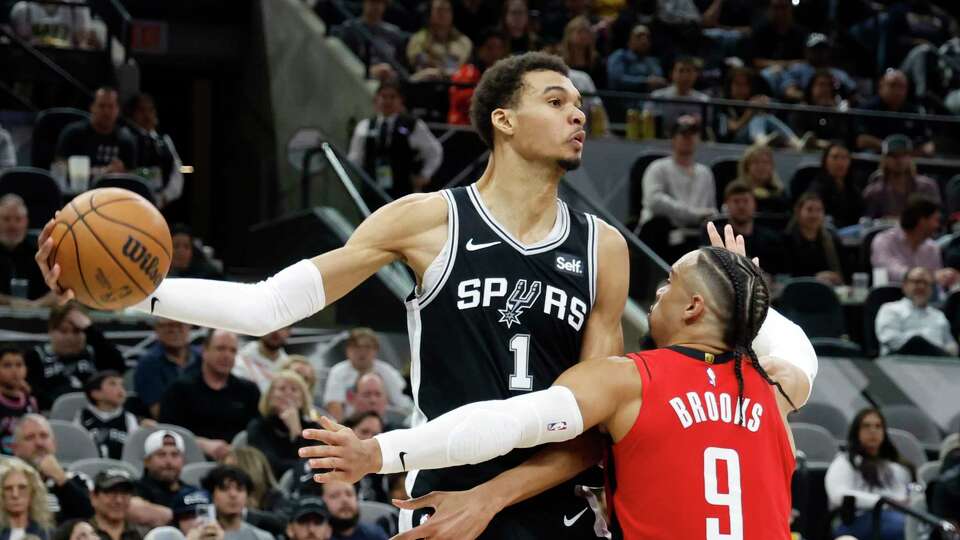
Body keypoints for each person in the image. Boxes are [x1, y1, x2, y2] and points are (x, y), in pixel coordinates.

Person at [38, 51, 629, 539]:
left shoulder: (604, 248)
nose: (578, 116)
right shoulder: (424, 222)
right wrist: (129, 294)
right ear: (503, 119)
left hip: (554, 504)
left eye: (579, 106)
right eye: (556, 102)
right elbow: (266, 306)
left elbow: (592, 428)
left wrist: (493, 498)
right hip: (441, 495)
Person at [301, 223, 818, 540]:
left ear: (693, 307)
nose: (656, 294)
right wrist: (744, 290)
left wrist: (382, 452)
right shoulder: (774, 390)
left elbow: (506, 420)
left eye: (668, 284)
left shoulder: (628, 381)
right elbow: (799, 349)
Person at [159, 330, 260, 460]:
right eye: (220, 348)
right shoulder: (179, 389)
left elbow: (257, 434)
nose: (227, 355)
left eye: (232, 350)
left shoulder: (249, 390)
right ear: (204, 351)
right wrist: (201, 444)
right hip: (189, 460)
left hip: (238, 462)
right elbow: (167, 434)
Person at [346, 80, 443, 199]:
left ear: (400, 100)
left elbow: (434, 151)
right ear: (377, 99)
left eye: (392, 97)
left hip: (402, 190)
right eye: (383, 97)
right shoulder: (364, 126)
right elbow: (355, 158)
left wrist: (425, 175)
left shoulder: (412, 125)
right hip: (371, 188)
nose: (387, 101)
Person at [825, 408, 912, 540]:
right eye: (866, 426)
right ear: (856, 431)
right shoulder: (845, 461)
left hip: (897, 516)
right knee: (902, 528)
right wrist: (882, 501)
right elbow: (838, 495)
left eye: (878, 426)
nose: (873, 431)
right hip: (857, 519)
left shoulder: (896, 466)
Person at [640, 115, 717, 262]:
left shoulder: (705, 173)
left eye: (693, 134)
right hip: (662, 236)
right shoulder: (657, 168)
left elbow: (711, 209)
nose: (688, 138)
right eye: (683, 134)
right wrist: (694, 214)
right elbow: (654, 202)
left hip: (695, 236)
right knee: (658, 225)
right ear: (673, 139)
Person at [25, 302, 125, 410]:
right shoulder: (35, 356)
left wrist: (90, 328)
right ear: (50, 330)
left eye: (77, 331)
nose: (70, 337)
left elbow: (118, 368)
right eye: (63, 331)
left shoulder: (95, 352)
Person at [11, 415, 93, 522]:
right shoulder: (5, 481)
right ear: (16, 449)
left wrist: (61, 479)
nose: (39, 443)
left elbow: (90, 517)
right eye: (30, 437)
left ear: (54, 444)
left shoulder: (78, 479)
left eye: (44, 436)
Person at [244, 371, 320, 479]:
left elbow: (314, 465)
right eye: (282, 389)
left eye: (294, 389)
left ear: (303, 399)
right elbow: (271, 466)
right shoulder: (258, 427)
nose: (288, 393)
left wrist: (296, 431)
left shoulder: (314, 429)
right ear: (270, 396)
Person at [322, 329, 409, 422]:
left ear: (376, 350)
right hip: (350, 424)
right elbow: (334, 405)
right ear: (348, 350)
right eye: (357, 347)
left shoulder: (387, 371)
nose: (362, 352)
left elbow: (403, 403)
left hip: (382, 425)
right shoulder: (338, 371)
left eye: (367, 347)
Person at [871, 196, 959, 287]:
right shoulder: (883, 241)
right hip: (891, 295)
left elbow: (936, 280)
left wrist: (945, 276)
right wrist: (921, 276)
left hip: (925, 298)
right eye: (935, 220)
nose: (937, 226)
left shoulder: (932, 247)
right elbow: (888, 270)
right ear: (922, 221)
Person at [55, 88, 137, 178]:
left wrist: (123, 171)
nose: (106, 111)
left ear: (118, 110)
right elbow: (60, 166)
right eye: (101, 106)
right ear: (92, 107)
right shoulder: (73, 134)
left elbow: (132, 174)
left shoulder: (126, 139)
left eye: (111, 106)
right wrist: (103, 171)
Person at [875, 267, 958, 356]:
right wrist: (923, 345)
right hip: (900, 362)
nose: (921, 286)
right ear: (905, 285)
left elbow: (951, 346)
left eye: (926, 283)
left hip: (937, 364)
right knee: (917, 341)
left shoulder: (939, 316)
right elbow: (890, 339)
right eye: (917, 281)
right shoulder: (890, 309)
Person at [125, 94, 184, 209]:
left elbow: (178, 172)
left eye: (150, 110)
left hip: (160, 203)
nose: (147, 115)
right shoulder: (125, 138)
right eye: (141, 110)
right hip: (132, 202)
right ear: (132, 113)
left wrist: (164, 197)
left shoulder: (164, 140)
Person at [856, 70, 935, 157]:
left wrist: (904, 156)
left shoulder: (914, 111)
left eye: (902, 87)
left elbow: (928, 145)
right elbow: (861, 141)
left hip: (908, 159)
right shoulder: (867, 109)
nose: (897, 91)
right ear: (881, 86)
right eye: (892, 85)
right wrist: (892, 150)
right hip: (876, 157)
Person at [134, 318, 201, 419]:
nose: (174, 330)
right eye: (168, 326)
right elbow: (158, 411)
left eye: (179, 325)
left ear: (189, 327)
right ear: (157, 329)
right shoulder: (148, 364)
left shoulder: (203, 359)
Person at [862, 135, 941, 219]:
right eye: (893, 155)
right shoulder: (874, 192)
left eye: (903, 155)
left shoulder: (926, 187)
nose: (899, 160)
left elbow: (936, 219)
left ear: (910, 157)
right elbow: (867, 223)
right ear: (884, 159)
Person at [718, 67, 801, 148]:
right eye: (737, 84)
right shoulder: (724, 104)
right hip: (733, 143)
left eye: (745, 85)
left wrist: (766, 104)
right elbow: (733, 128)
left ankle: (796, 143)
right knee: (758, 116)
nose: (741, 89)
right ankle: (761, 141)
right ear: (730, 86)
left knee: (766, 117)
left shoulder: (752, 99)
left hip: (754, 138)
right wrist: (750, 112)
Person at [131, 431, 199, 527]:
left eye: (175, 455)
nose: (169, 461)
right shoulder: (133, 488)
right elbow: (135, 510)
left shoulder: (193, 492)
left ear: (183, 461)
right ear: (147, 461)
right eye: (161, 454)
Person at [717, 181, 784, 275]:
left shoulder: (770, 240)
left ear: (754, 204)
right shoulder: (717, 238)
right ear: (726, 204)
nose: (741, 206)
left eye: (746, 201)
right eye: (736, 201)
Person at [331, 0, 407, 81]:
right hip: (359, 79)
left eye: (381, 3)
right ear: (364, 3)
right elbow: (345, 62)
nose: (377, 6)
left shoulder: (394, 33)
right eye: (373, 2)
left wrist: (391, 74)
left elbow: (400, 67)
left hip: (388, 82)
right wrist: (370, 71)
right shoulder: (350, 29)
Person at [447, 29, 508, 125]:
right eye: (490, 48)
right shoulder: (466, 72)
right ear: (479, 49)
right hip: (462, 128)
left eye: (499, 48)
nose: (495, 53)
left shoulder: (505, 74)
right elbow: (462, 101)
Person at [0, 195, 53, 305]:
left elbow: (58, 292)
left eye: (18, 219)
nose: (12, 225)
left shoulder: (40, 254)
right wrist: (10, 302)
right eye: (6, 219)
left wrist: (36, 305)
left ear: (26, 222)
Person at [782, 193, 845, 285]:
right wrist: (815, 278)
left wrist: (836, 277)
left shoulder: (832, 240)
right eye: (809, 210)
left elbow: (844, 272)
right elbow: (786, 274)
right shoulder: (786, 240)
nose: (814, 215)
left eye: (819, 210)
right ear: (798, 212)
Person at [77, 371, 139, 460]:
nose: (120, 389)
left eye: (122, 385)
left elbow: (134, 452)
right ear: (96, 393)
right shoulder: (81, 416)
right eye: (113, 384)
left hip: (121, 470)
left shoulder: (129, 418)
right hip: (90, 469)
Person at [778, 33, 857, 103]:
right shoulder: (797, 69)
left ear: (828, 51)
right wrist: (813, 99)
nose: (819, 52)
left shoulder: (839, 73)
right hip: (805, 111)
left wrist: (843, 104)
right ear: (806, 51)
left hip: (833, 112)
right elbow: (789, 92)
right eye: (815, 49)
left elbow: (853, 95)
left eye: (822, 49)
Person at [406, 0, 472, 81]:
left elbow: (464, 66)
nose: (443, 14)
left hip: (457, 83)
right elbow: (419, 64)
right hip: (428, 82)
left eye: (447, 10)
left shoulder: (463, 41)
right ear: (430, 13)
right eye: (439, 10)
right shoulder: (418, 39)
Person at [199, 467, 271, 540]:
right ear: (212, 495)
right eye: (225, 489)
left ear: (247, 496)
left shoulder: (262, 537)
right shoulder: (199, 536)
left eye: (239, 489)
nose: (233, 494)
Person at [644, 57, 709, 137]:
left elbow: (707, 128)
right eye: (681, 71)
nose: (685, 76)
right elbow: (646, 120)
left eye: (689, 71)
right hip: (660, 141)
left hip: (691, 142)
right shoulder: (657, 96)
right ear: (672, 74)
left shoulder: (703, 100)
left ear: (695, 75)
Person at [804, 143, 863, 228]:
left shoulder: (853, 190)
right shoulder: (817, 189)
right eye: (835, 157)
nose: (840, 162)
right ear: (825, 160)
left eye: (844, 158)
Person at [221, 448, 287, 514]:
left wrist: (245, 513)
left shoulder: (276, 499)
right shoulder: (218, 496)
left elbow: (280, 521)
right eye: (225, 469)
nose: (226, 476)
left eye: (232, 471)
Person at [0, 458, 53, 540]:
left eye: (22, 487)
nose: (15, 494)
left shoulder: (49, 534)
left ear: (33, 492)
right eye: (8, 488)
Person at [0, 345, 38, 455]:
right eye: (7, 365)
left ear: (26, 369)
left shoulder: (31, 402)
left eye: (19, 365)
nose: (14, 370)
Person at [749, 0, 808, 70]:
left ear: (791, 9)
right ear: (769, 9)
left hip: (795, 72)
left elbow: (807, 61)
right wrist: (785, 65)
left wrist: (780, 65)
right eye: (776, 8)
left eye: (784, 7)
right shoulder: (760, 32)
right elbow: (755, 62)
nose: (780, 13)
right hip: (768, 73)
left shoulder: (800, 33)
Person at [606, 25, 666, 93]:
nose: (644, 41)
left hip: (648, 101)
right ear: (629, 41)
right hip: (624, 99)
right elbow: (616, 80)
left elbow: (659, 81)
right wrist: (645, 82)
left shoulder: (652, 61)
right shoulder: (620, 56)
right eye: (639, 36)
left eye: (647, 37)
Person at [89, 469, 146, 540]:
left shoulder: (144, 535)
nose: (119, 500)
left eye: (125, 493)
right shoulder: (80, 534)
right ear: (94, 497)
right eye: (111, 493)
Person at [321, 482, 387, 540]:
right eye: (334, 496)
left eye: (349, 494)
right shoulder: (315, 534)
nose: (345, 500)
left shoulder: (374, 534)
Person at [735, 144, 788, 214]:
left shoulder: (780, 193)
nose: (761, 167)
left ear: (772, 167)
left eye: (765, 162)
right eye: (756, 162)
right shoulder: (737, 190)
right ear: (746, 166)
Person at [557, 16, 605, 90]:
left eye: (587, 32)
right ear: (569, 35)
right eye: (580, 32)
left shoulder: (596, 60)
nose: (584, 36)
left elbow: (601, 88)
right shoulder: (559, 59)